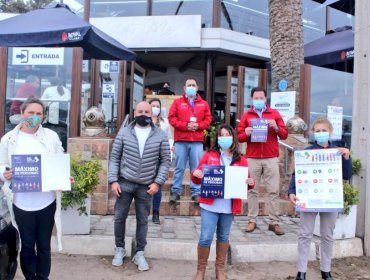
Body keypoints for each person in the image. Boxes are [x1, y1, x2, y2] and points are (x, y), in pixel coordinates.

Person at [0, 97, 70, 280]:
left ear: (43, 117)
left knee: (44, 245)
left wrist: (64, 177)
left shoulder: (51, 137)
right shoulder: (9, 139)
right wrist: (4, 173)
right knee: (27, 245)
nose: (34, 116)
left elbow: (59, 161)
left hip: (46, 201)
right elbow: (2, 165)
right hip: (21, 203)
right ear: (21, 114)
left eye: (39, 113)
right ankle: (30, 276)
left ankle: (43, 277)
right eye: (30, 112)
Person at [108, 101, 171, 271]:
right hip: (124, 183)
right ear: (135, 113)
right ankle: (119, 248)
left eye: (147, 111)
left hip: (146, 185)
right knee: (119, 217)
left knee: (142, 220)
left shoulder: (160, 134)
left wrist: (158, 182)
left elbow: (165, 161)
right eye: (140, 111)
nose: (143, 114)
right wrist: (113, 180)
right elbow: (114, 157)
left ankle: (139, 253)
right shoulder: (124, 132)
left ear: (152, 114)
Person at [288, 117, 352, 280]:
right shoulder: (307, 152)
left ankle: (326, 270)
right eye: (317, 131)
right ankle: (301, 271)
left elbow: (346, 175)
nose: (321, 133)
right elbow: (297, 175)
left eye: (324, 130)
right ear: (312, 133)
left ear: (330, 132)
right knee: (305, 234)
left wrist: (346, 157)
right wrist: (292, 191)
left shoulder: (337, 152)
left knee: (327, 235)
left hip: (330, 198)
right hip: (309, 198)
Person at [191, 124, 254, 280]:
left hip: (228, 206)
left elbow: (246, 184)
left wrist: (250, 182)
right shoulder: (209, 155)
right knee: (205, 237)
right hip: (210, 204)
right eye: (221, 135)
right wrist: (196, 174)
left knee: (224, 237)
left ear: (233, 137)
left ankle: (220, 269)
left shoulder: (242, 160)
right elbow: (197, 179)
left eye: (227, 134)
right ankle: (201, 270)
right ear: (217, 139)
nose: (224, 138)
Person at [237, 87, 288, 235]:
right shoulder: (247, 115)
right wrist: (245, 133)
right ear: (252, 99)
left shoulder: (274, 114)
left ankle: (274, 222)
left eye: (261, 98)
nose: (259, 100)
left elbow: (284, 135)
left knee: (273, 190)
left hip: (271, 157)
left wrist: (276, 127)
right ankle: (252, 220)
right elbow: (239, 137)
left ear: (266, 99)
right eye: (256, 98)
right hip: (252, 157)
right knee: (252, 190)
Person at [168, 79, 212, 203]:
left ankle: (196, 192)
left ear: (197, 88)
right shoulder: (177, 102)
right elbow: (171, 118)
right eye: (189, 85)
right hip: (181, 140)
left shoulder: (204, 104)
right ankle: (175, 191)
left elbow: (208, 119)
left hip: (197, 141)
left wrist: (198, 126)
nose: (191, 87)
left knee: (196, 168)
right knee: (179, 167)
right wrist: (185, 125)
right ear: (184, 88)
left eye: (193, 85)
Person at [148, 98, 173, 225]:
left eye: (158, 106)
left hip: (160, 158)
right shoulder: (143, 121)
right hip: (147, 158)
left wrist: (170, 148)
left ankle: (156, 213)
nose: (155, 108)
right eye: (153, 106)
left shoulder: (165, 123)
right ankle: (144, 211)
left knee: (158, 186)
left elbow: (169, 139)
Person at [41, 77, 71, 150]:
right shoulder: (67, 90)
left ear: (50, 83)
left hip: (53, 119)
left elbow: (42, 104)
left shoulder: (48, 90)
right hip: (65, 118)